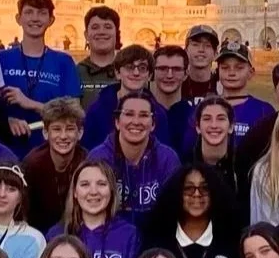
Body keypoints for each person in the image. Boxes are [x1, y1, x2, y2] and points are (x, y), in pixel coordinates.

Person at [146, 164, 243, 258]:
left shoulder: (230, 242)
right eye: (188, 189)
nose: (197, 194)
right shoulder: (158, 242)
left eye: (204, 188)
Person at [47, 160, 138, 258]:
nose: (93, 191)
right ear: (75, 192)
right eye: (85, 184)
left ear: (112, 191)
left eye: (101, 184)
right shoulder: (57, 235)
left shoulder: (129, 234)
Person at [0, 0, 83, 148]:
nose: (35, 19)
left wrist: (29, 103)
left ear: (51, 20)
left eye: (42, 13)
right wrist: (6, 120)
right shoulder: (0, 59)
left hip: (51, 150)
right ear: (18, 18)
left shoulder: (64, 62)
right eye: (29, 12)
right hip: (7, 148)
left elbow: (73, 114)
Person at [90, 89, 182, 227]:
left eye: (144, 115)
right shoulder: (98, 158)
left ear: (153, 124)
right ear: (117, 122)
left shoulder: (168, 159)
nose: (136, 121)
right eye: (129, 114)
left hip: (155, 238)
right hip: (110, 238)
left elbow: (174, 211)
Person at [20, 96, 89, 233]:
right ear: (46, 133)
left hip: (80, 232)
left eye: (69, 129)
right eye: (57, 129)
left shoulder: (87, 163)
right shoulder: (31, 165)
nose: (63, 136)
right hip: (38, 233)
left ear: (80, 133)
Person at [215, 41, 279, 175]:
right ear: (218, 71)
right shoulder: (209, 108)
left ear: (251, 72)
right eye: (225, 67)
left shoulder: (264, 110)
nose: (231, 73)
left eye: (239, 68)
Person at [80, 44, 156, 149]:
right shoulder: (97, 110)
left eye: (142, 68)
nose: (136, 73)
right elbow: (88, 150)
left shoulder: (158, 112)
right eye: (129, 67)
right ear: (117, 73)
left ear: (150, 75)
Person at [183, 95, 242, 201]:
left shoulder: (243, 167)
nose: (214, 125)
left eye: (221, 119)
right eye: (207, 119)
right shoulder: (184, 165)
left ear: (231, 127)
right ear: (197, 127)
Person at [75, 4, 123, 100]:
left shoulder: (130, 73)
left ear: (117, 33)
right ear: (86, 35)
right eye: (95, 27)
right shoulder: (74, 73)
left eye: (108, 27)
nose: (101, 32)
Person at [180, 24, 220, 100]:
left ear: (215, 54)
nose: (201, 49)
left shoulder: (222, 89)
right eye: (195, 45)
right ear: (186, 51)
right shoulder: (176, 86)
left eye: (207, 45)